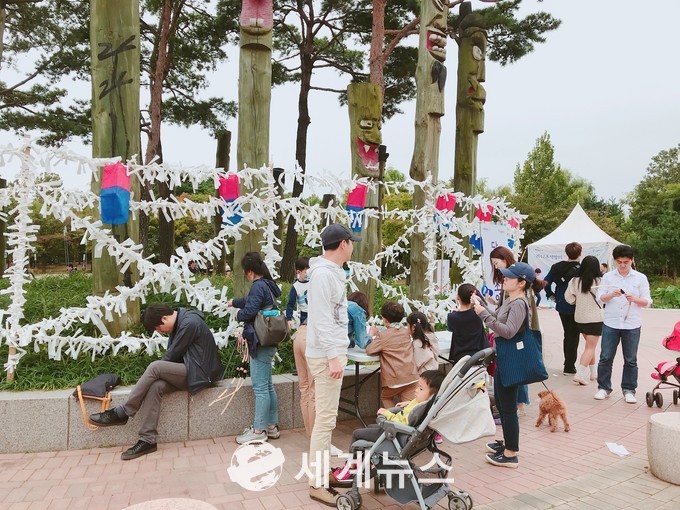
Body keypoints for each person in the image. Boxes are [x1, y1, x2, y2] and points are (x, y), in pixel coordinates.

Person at [89, 304, 225, 460]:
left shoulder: (189, 323)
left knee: (155, 367)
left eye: (158, 327)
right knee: (155, 386)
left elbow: (171, 356)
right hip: (191, 371)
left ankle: (123, 412)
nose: (159, 331)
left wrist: (154, 373)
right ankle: (148, 440)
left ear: (164, 318)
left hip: (201, 374)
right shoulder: (181, 321)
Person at [306, 223, 360, 507]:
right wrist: (332, 356)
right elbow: (321, 319)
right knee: (325, 421)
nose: (353, 247)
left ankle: (323, 472)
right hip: (327, 355)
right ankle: (317, 483)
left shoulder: (330, 273)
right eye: (352, 242)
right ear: (343, 244)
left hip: (331, 352)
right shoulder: (323, 275)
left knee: (326, 419)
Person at [473, 262, 544, 468]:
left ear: (521, 283)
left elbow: (508, 331)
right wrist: (482, 305)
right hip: (504, 358)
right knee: (503, 405)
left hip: (511, 360)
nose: (504, 278)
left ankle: (511, 453)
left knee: (508, 408)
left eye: (509, 277)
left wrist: (482, 314)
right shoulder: (510, 300)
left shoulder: (519, 303)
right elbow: (497, 317)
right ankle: (507, 444)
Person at [330, 370, 446, 484]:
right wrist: (408, 404)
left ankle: (351, 468)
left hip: (396, 435)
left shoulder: (417, 410)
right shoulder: (427, 405)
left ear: (432, 395)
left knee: (357, 434)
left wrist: (386, 413)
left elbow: (403, 423)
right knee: (369, 428)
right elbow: (417, 405)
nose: (416, 390)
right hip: (403, 436)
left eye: (420, 389)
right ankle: (363, 464)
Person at [228, 252, 282, 444]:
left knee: (260, 388)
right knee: (267, 386)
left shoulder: (258, 285)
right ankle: (271, 426)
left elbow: (250, 310)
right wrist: (234, 302)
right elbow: (252, 301)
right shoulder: (268, 284)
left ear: (249, 272)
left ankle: (259, 431)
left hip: (260, 341)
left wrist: (237, 314)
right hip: (269, 340)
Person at [594, 245, 651, 403]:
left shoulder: (640, 277)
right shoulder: (608, 277)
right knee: (605, 357)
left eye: (626, 262)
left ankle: (629, 390)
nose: (623, 265)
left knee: (630, 359)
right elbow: (599, 297)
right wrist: (611, 295)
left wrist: (635, 299)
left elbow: (647, 301)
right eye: (619, 262)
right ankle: (603, 388)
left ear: (632, 260)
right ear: (615, 261)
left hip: (632, 324)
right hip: (611, 322)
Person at [486, 246, 534, 410]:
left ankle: (518, 404)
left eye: (496, 263)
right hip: (508, 346)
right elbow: (502, 312)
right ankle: (514, 406)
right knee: (505, 398)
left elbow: (508, 330)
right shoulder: (510, 288)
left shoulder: (517, 295)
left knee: (509, 402)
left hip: (512, 345)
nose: (496, 267)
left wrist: (485, 314)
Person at [366, 301, 420, 407]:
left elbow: (369, 350)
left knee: (386, 397)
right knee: (409, 407)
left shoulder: (383, 335)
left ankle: (392, 416)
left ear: (385, 320)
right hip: (411, 376)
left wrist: (372, 335)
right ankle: (405, 417)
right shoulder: (406, 332)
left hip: (394, 380)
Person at [564, 255, 604, 386]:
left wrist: (577, 301)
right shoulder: (600, 281)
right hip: (595, 318)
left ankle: (594, 373)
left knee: (589, 346)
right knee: (590, 347)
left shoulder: (575, 281)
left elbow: (568, 298)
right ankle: (580, 374)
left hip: (580, 318)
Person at [544, 242, 582, 375]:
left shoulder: (556, 267)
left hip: (561, 303)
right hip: (576, 304)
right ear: (580, 253)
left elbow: (545, 282)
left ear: (566, 253)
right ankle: (569, 366)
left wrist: (551, 295)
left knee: (567, 334)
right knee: (573, 335)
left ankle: (568, 364)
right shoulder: (581, 269)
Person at [446, 283, 487, 365]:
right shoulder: (479, 313)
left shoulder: (452, 316)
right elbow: (485, 305)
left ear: (457, 297)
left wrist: (455, 312)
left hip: (460, 359)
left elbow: (450, 329)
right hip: (479, 357)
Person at [286, 257, 310, 331]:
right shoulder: (296, 287)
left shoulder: (314, 281)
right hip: (304, 315)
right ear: (299, 272)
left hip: (316, 313)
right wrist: (289, 319)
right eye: (306, 272)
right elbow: (290, 304)